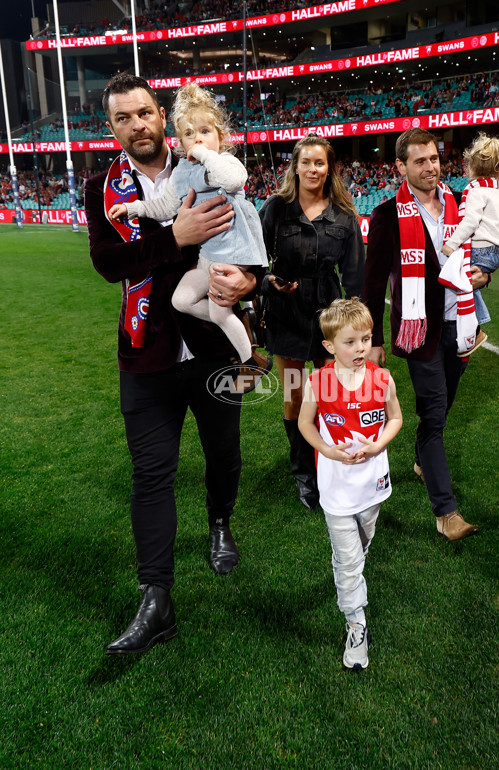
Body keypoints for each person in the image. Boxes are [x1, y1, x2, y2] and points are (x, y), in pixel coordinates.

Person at [85, 73, 263, 655]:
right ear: (111, 128)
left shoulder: (210, 160)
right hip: (145, 356)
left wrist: (250, 280)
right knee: (151, 476)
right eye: (122, 118)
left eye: (143, 113)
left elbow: (247, 238)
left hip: (211, 349)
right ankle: (156, 597)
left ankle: (219, 522)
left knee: (225, 457)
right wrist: (176, 239)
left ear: (162, 115)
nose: (136, 125)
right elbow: (110, 263)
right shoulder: (102, 186)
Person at [363, 127, 487, 541]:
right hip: (420, 333)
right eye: (419, 161)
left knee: (444, 406)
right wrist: (375, 341)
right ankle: (446, 512)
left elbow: (482, 251)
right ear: (401, 166)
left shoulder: (461, 204)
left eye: (434, 158)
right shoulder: (386, 215)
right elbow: (373, 282)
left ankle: (419, 460)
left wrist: (485, 273)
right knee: (434, 416)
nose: (430, 167)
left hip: (463, 324)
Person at [108, 84, 270, 389]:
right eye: (189, 134)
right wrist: (133, 208)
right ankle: (236, 324)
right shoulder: (182, 171)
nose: (198, 139)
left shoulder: (224, 163)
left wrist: (207, 155)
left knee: (221, 313)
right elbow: (165, 206)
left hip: (233, 254)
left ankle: (250, 361)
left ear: (221, 138)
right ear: (180, 142)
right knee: (181, 300)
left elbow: (233, 179)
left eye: (206, 131)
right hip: (208, 258)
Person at [259, 133, 365, 510]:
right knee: (293, 395)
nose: (313, 169)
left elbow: (354, 277)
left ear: (329, 167)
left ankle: (330, 467)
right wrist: (268, 281)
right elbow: (254, 259)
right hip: (285, 315)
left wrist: (358, 333)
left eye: (319, 163)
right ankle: (304, 475)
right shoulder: (275, 208)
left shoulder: (344, 215)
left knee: (331, 394)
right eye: (306, 162)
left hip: (329, 317)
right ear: (296, 166)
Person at [298, 298, 402, 670]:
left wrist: (379, 444)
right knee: (348, 561)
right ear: (329, 346)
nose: (361, 348)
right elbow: (305, 424)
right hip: (337, 489)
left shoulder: (382, 378)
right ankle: (356, 624)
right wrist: (328, 450)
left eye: (367, 339)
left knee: (361, 546)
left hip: (373, 485)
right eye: (351, 341)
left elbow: (395, 419)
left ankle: (350, 566)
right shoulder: (318, 382)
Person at [441, 133, 499, 351]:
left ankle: (473, 331)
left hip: (481, 249)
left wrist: (451, 244)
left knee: (452, 277)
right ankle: (476, 327)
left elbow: (470, 222)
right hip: (498, 252)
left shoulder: (475, 192)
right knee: (469, 284)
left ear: (472, 165)